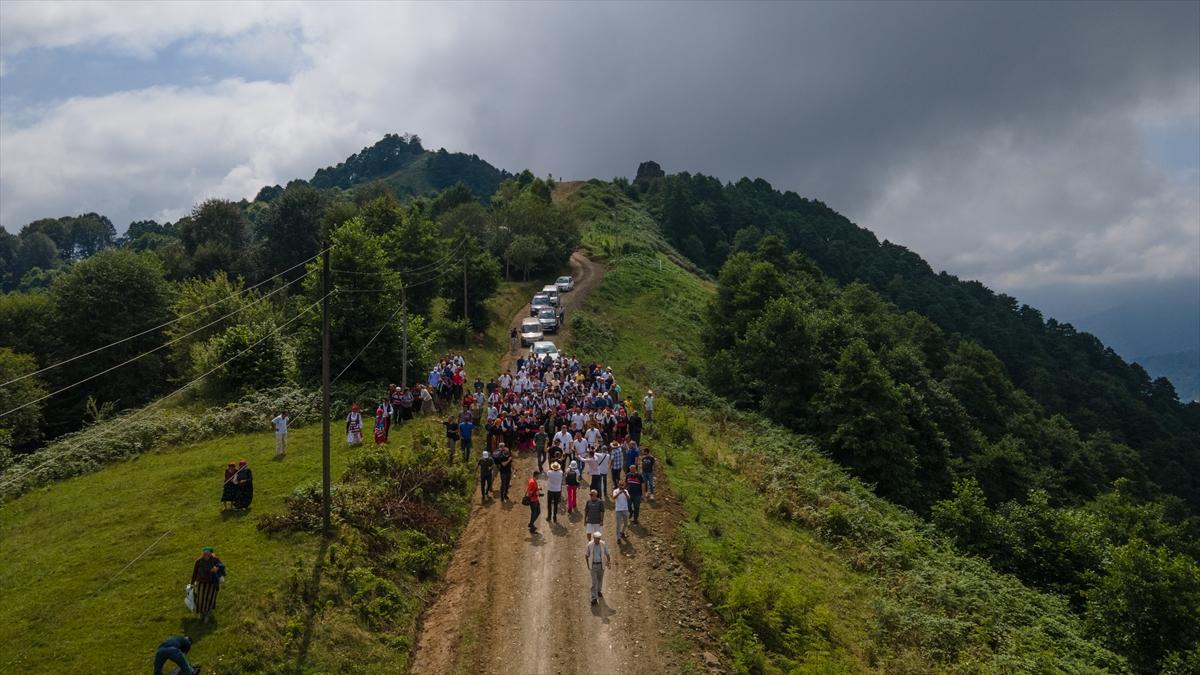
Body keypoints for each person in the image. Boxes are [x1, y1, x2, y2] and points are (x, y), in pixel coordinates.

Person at [190, 546, 225, 623]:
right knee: (201, 598)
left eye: (208, 554)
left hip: (212, 583)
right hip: (201, 583)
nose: (206, 555)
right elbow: (195, 572)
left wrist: (217, 568)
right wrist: (192, 583)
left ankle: (207, 614)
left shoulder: (215, 560)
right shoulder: (199, 561)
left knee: (209, 599)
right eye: (205, 553)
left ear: (211, 554)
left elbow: (222, 566)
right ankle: (201, 613)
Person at [584, 531, 611, 606]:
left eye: (599, 539)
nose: (598, 540)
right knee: (594, 582)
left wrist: (609, 562)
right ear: (593, 538)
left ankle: (599, 591)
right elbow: (586, 555)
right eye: (596, 539)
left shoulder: (603, 544)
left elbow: (607, 553)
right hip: (593, 566)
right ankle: (594, 598)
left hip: (601, 565)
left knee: (600, 579)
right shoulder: (589, 545)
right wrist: (588, 565)